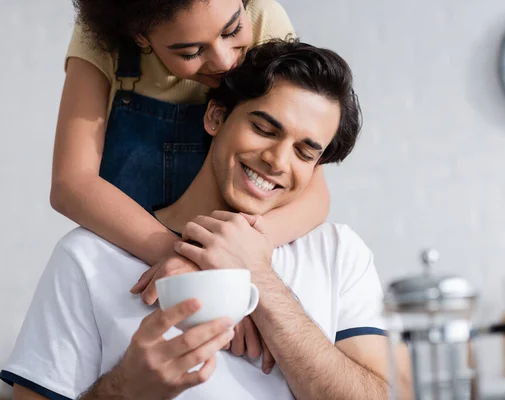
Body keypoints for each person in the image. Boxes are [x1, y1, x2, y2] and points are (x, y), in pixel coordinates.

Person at [2, 39, 412, 399]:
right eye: (264, 128)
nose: (276, 161)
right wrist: (126, 391)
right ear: (215, 117)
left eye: (305, 153)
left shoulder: (339, 254)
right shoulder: (86, 259)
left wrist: (257, 276)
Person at [52, 0, 330, 363]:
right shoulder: (102, 39)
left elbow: (316, 195)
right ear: (140, 37)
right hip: (132, 262)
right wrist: (188, 259)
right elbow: (71, 183)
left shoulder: (263, 18)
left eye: (232, 31)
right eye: (191, 51)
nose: (224, 60)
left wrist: (235, 259)